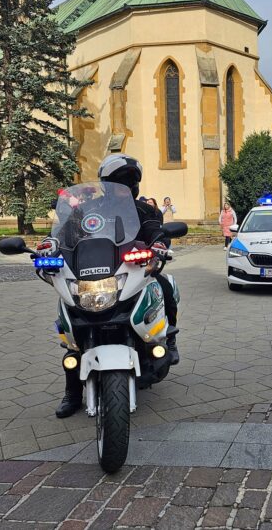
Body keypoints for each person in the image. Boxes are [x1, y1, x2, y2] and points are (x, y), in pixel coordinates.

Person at [47, 154, 181, 418]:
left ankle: (171, 338)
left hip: (131, 269)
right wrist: (49, 245)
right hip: (93, 273)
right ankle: (72, 393)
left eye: (131, 179)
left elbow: (156, 232)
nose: (127, 184)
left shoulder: (146, 210)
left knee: (164, 286)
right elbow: (66, 234)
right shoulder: (88, 209)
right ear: (106, 183)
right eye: (120, 180)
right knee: (70, 327)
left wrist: (159, 245)